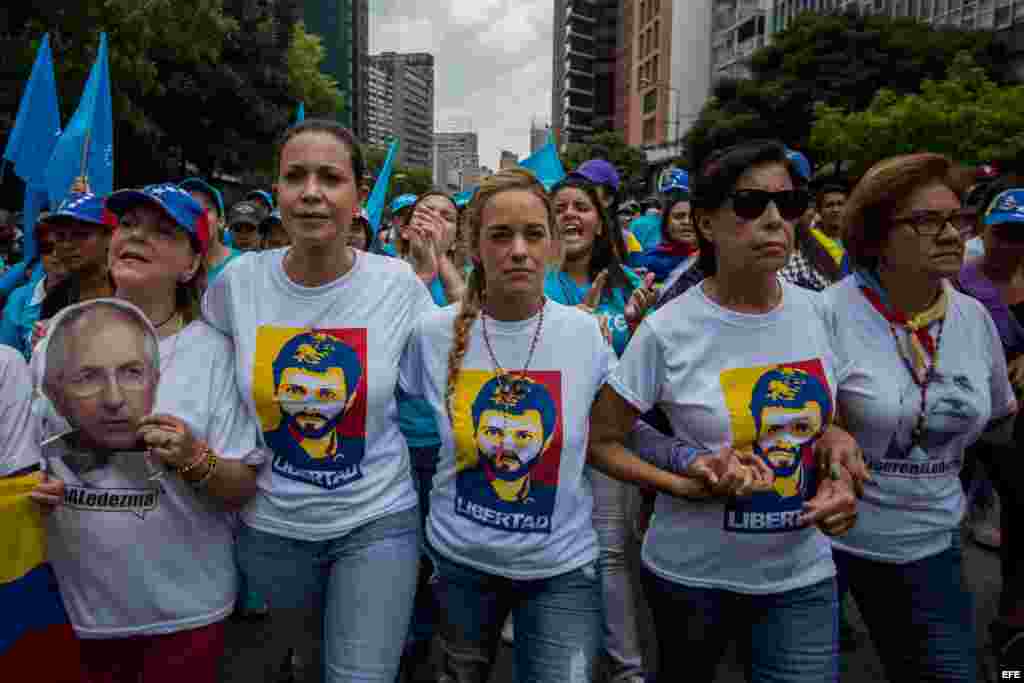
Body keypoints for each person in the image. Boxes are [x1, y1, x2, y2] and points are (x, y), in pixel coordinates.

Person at [587, 139, 862, 682]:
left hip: (802, 574)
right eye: (749, 204)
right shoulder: (669, 327)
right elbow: (603, 440)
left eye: (787, 204)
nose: (773, 221)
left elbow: (833, 417)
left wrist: (837, 456)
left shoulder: (823, 311)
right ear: (708, 223)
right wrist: (681, 483)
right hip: (691, 579)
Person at [202, 118, 432, 681]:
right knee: (304, 669)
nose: (311, 192)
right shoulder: (237, 284)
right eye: (294, 177)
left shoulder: (398, 284)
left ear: (357, 196)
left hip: (378, 520)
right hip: (272, 529)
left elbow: (453, 375)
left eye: (330, 178)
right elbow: (194, 364)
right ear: (276, 193)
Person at [398, 167, 611, 683]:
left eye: (534, 235)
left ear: (554, 246)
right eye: (500, 235)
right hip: (460, 567)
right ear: (473, 246)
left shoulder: (585, 334)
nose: (519, 250)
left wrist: (687, 462)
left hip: (562, 570)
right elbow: (391, 417)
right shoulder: (430, 334)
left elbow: (616, 433)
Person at [823, 152, 1018, 683]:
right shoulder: (826, 314)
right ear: (876, 234)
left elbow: (999, 418)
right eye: (927, 221)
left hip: (933, 544)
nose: (952, 234)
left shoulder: (975, 318)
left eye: (957, 219)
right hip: (829, 548)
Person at [32, 297, 263, 683]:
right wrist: (29, 495)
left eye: (132, 373)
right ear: (52, 392)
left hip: (188, 615)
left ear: (156, 380)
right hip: (77, 619)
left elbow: (242, 491)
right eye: (86, 377)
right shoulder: (38, 395)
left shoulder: (210, 354)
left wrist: (194, 459)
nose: (114, 399)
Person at [37, 192, 115, 327]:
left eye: (81, 234)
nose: (67, 245)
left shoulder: (133, 290)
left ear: (108, 237)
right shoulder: (54, 301)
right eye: (60, 236)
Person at [0, 221, 67, 359]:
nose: (55, 253)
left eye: (61, 245)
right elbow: (6, 357)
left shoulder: (89, 291)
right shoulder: (19, 298)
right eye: (47, 247)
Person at [631, 192, 698, 292]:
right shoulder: (647, 263)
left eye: (693, 216)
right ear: (666, 224)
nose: (687, 221)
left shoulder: (713, 260)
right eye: (679, 216)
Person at [180, 177, 239, 283]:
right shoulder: (173, 269)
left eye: (206, 209)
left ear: (221, 221)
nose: (199, 216)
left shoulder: (243, 264)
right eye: (190, 210)